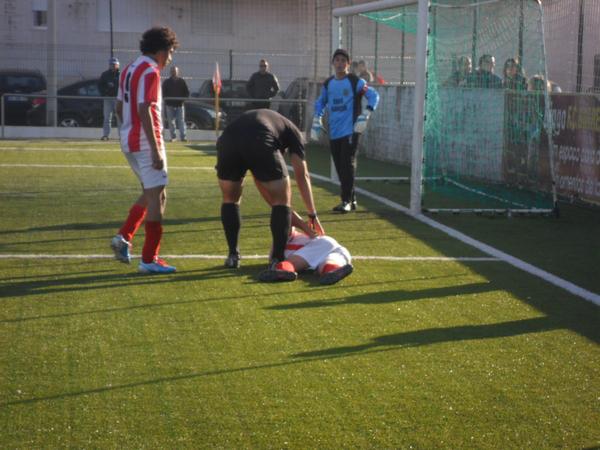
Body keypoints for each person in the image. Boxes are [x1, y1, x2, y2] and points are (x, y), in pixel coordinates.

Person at [215, 109, 324, 280]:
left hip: (228, 138)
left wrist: (301, 224)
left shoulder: (274, 123)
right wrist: (312, 215)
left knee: (230, 199)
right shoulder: (294, 133)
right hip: (259, 138)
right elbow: (302, 175)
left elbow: (266, 193)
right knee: (282, 200)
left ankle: (232, 256)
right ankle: (277, 260)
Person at [110, 26, 179, 274]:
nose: (170, 59)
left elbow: (119, 107)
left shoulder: (129, 68)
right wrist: (155, 149)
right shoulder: (151, 71)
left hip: (129, 141)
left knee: (154, 193)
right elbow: (145, 109)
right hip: (146, 143)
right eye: (170, 52)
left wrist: (128, 130)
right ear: (162, 51)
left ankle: (124, 236)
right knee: (158, 197)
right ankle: (149, 259)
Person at [311, 48, 380, 213]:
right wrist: (316, 118)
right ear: (333, 63)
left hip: (351, 131)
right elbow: (321, 102)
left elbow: (374, 96)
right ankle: (352, 198)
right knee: (340, 167)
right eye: (337, 60)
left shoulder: (355, 82)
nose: (340, 63)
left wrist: (366, 113)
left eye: (343, 60)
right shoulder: (328, 83)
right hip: (334, 131)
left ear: (348, 64)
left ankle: (346, 201)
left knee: (347, 165)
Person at [259, 214, 353, 285]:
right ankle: (333, 271)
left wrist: (308, 228)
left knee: (290, 263)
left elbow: (288, 214)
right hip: (340, 251)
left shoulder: (292, 240)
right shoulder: (284, 242)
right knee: (328, 265)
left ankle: (281, 271)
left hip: (322, 244)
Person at [161, 65, 190, 142]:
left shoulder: (182, 81)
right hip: (169, 105)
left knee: (181, 121)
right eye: (172, 71)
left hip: (180, 105)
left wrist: (182, 100)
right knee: (171, 122)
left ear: (178, 72)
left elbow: (187, 93)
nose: (173, 72)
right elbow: (163, 93)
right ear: (170, 72)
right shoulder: (166, 82)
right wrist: (167, 101)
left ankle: (183, 137)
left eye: (175, 71)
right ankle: (173, 137)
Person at [98, 56, 120, 140]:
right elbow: (100, 85)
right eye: (111, 64)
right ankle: (105, 135)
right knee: (107, 118)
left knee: (119, 118)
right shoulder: (105, 74)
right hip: (108, 99)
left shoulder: (121, 74)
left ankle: (121, 135)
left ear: (118, 65)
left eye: (114, 64)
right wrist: (105, 93)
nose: (113, 66)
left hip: (118, 99)